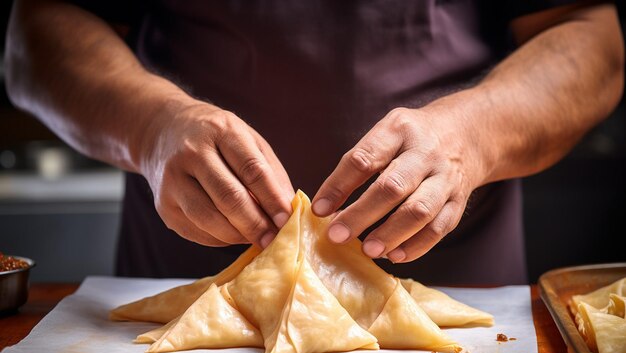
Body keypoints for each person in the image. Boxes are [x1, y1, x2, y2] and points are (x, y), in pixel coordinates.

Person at [5, 0, 623, 285]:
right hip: (180, 305)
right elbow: (33, 38)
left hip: (461, 309)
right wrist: (150, 127)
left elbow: (593, 38)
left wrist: (475, 134)